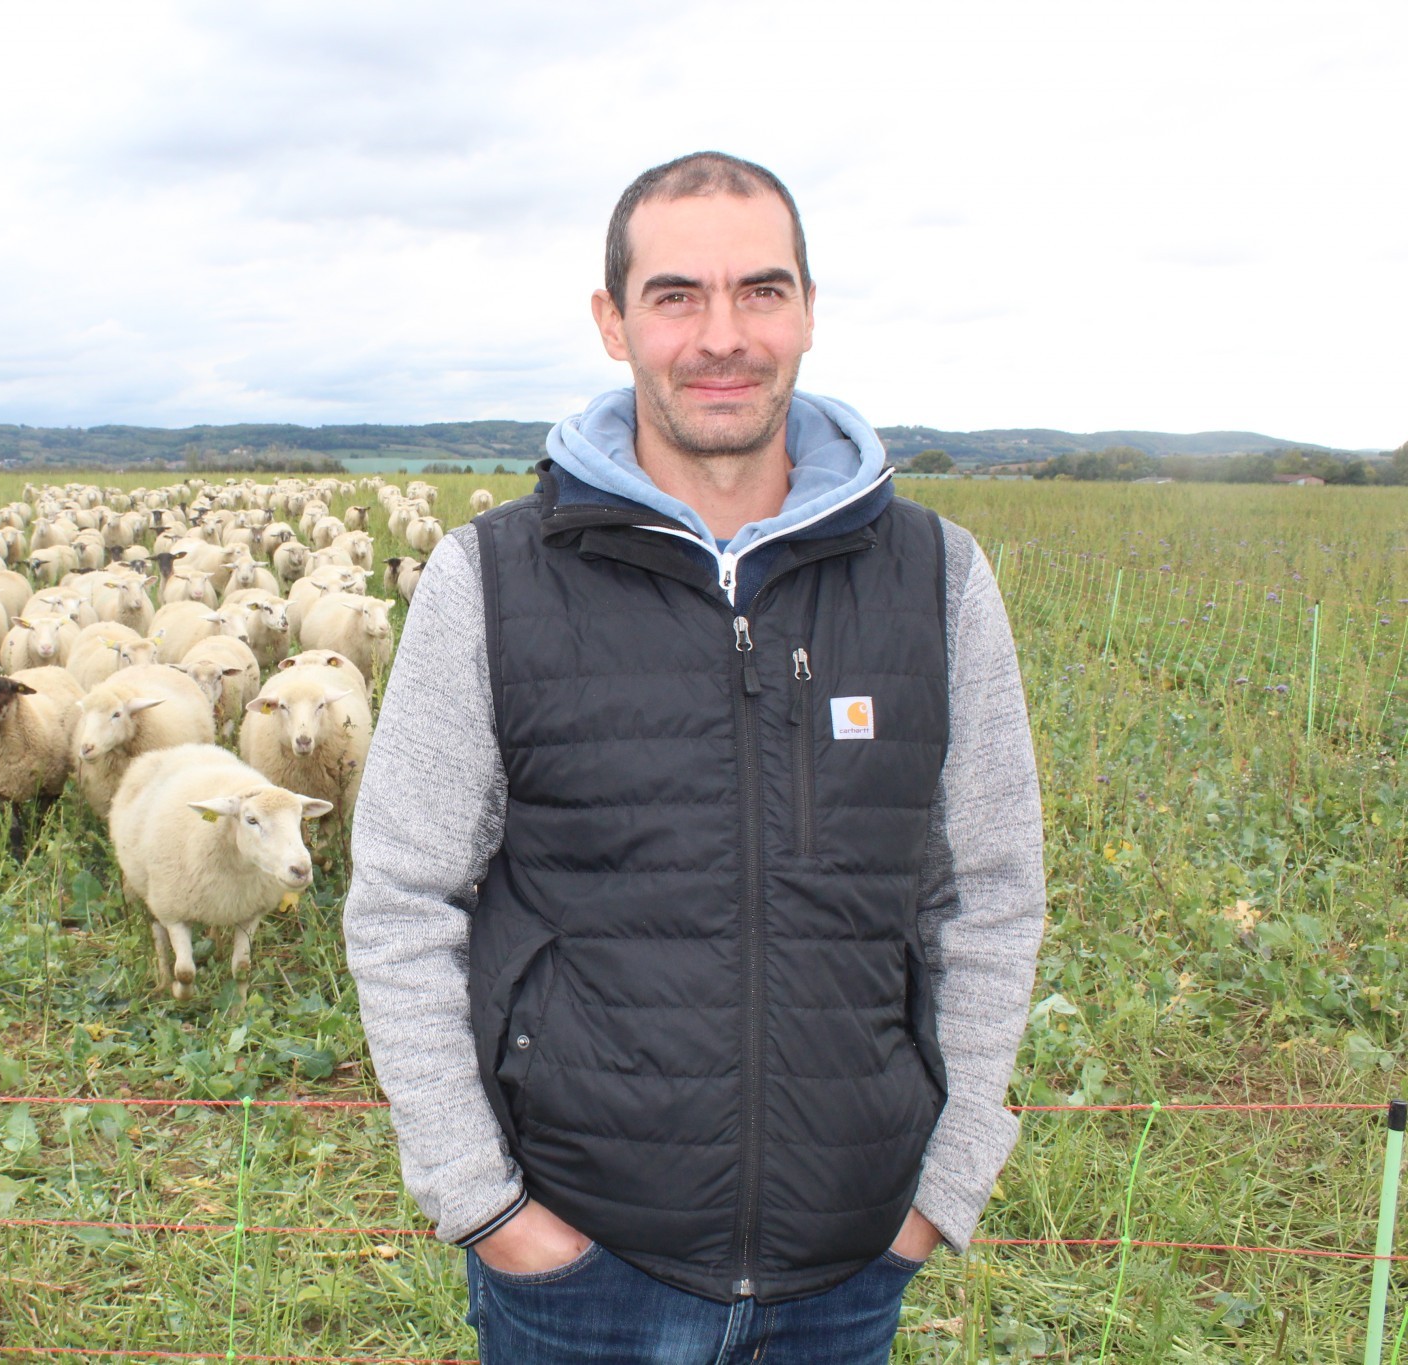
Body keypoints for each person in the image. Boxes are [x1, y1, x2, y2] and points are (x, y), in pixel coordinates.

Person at [343, 151, 1046, 1364]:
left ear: (808, 312)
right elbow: (401, 895)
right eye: (675, 296)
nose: (721, 335)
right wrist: (484, 1205)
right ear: (612, 322)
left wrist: (944, 1186)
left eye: (759, 291)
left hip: (849, 1262)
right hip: (580, 1267)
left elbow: (985, 893)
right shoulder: (492, 579)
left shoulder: (934, 577)